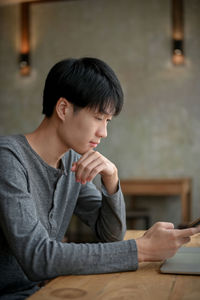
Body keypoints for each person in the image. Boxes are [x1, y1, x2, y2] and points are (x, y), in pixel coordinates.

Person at [0, 57, 199, 299]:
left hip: (42, 291)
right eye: (98, 117)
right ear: (63, 109)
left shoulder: (73, 161)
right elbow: (38, 257)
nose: (103, 132)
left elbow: (111, 235)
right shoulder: (8, 159)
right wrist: (141, 250)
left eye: (108, 121)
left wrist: (112, 180)